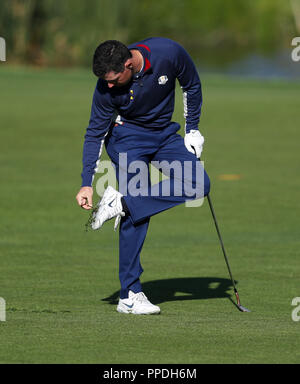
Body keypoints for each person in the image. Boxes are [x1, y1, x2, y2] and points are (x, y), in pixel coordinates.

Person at [76, 37, 210, 315]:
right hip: (127, 141)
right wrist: (86, 184)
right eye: (105, 81)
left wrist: (193, 129)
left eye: (113, 79)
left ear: (128, 64)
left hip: (165, 137)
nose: (108, 85)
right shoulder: (105, 87)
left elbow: (191, 85)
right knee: (139, 213)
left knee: (199, 183)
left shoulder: (168, 53)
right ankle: (129, 295)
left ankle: (121, 204)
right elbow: (94, 133)